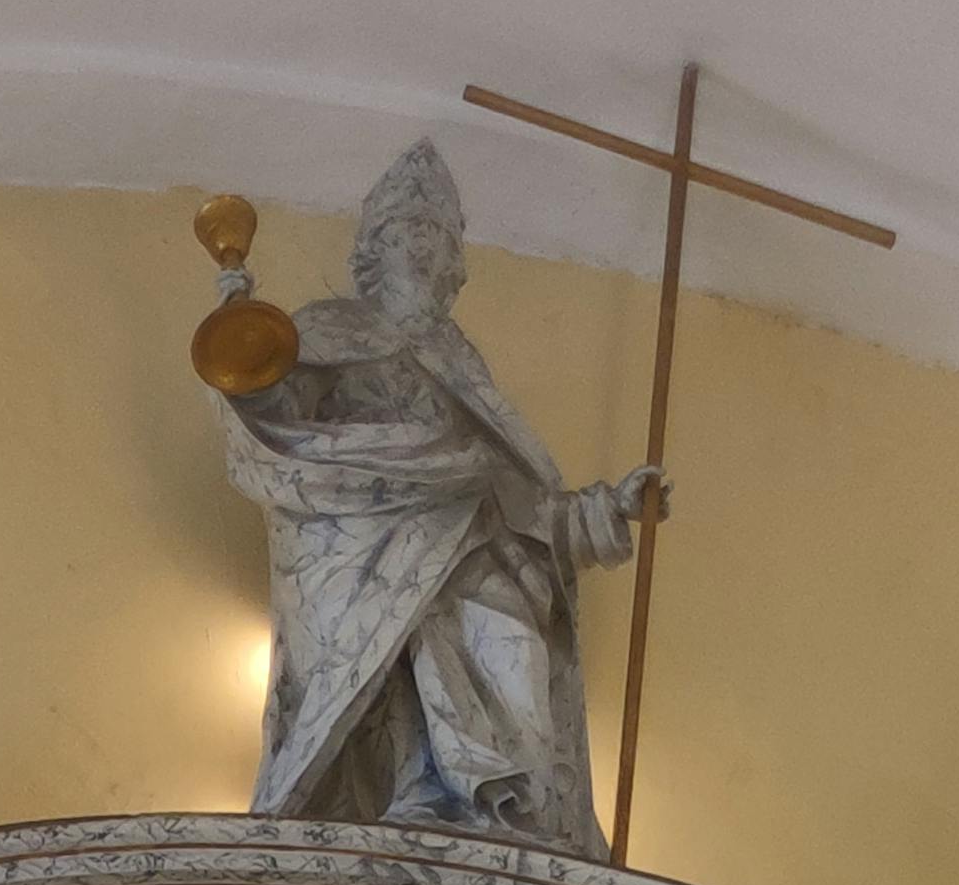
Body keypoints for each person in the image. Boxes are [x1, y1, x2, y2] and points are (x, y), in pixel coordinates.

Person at [208, 145, 658, 844]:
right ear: (372, 251)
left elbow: (514, 487)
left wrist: (605, 510)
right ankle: (420, 790)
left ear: (455, 265)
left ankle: (505, 807)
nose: (422, 248)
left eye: (436, 237)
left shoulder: (461, 360)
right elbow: (283, 433)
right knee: (397, 644)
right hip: (362, 541)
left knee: (510, 637)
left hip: (478, 534)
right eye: (405, 232)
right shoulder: (327, 329)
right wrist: (244, 351)